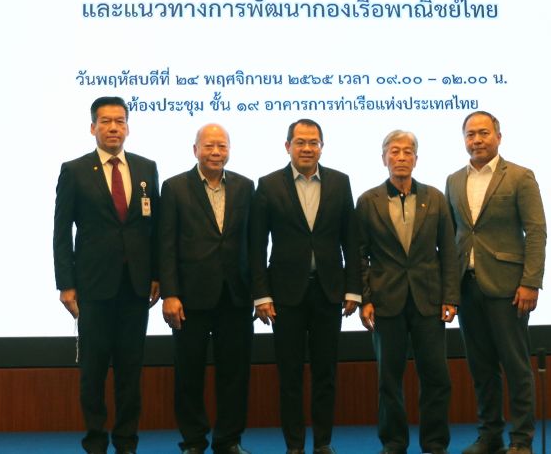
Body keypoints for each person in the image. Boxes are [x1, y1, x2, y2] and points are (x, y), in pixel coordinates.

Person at [52, 96, 161, 454]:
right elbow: (61, 231)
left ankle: (126, 441)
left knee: (130, 370)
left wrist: (157, 274)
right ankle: (96, 441)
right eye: (106, 121)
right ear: (93, 127)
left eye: (120, 121)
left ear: (128, 127)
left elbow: (154, 228)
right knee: (94, 371)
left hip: (135, 287)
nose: (113, 127)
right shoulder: (75, 170)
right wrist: (66, 284)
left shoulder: (146, 168)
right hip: (93, 287)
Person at [249, 118, 361, 454]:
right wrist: (261, 294)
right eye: (300, 142)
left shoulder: (340, 182)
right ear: (288, 146)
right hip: (285, 295)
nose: (307, 148)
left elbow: (350, 240)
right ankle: (295, 445)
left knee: (326, 374)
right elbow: (257, 246)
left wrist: (353, 289)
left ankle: (323, 443)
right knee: (290, 375)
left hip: (329, 292)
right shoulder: (268, 185)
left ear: (322, 147)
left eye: (314, 142)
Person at [445, 111, 547, 454]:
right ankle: (490, 435)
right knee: (481, 368)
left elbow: (536, 232)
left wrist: (530, 282)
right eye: (470, 134)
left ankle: (521, 440)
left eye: (484, 133)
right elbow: (451, 237)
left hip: (509, 288)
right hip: (467, 286)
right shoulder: (453, 180)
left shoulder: (519, 176)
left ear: (498, 137)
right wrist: (449, 290)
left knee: (516, 366)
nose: (477, 140)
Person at [356, 130, 460, 454]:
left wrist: (451, 297)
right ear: (383, 158)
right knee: (389, 379)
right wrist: (365, 298)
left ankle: (435, 442)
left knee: (436, 376)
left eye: (407, 152)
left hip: (428, 299)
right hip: (385, 300)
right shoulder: (368, 201)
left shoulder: (436, 198)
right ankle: (394, 442)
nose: (401, 157)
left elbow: (449, 251)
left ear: (416, 159)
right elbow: (360, 254)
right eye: (394, 151)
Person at [158, 124, 255, 454]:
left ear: (229, 150)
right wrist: (170, 293)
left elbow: (254, 243)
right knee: (189, 374)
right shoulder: (174, 187)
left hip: (235, 295)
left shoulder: (245, 186)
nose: (216, 152)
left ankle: (229, 440)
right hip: (189, 297)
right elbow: (166, 244)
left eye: (222, 146)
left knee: (235, 374)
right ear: (195, 150)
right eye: (209, 146)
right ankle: (194, 441)